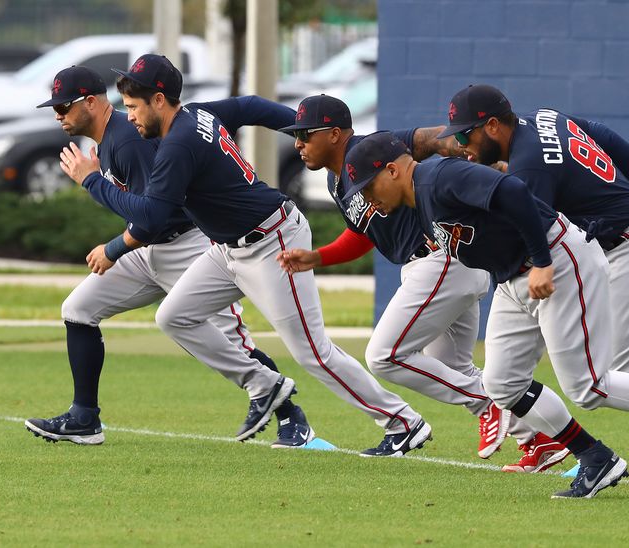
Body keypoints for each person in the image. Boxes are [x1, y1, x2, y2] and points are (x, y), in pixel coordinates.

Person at [58, 54, 431, 456]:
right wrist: (303, 130)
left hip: (273, 240)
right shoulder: (196, 115)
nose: (128, 115)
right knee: (174, 316)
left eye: (134, 106)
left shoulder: (178, 143)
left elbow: (150, 218)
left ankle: (403, 422)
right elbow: (250, 106)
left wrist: (92, 181)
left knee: (313, 353)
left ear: (160, 100)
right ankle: (266, 385)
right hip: (227, 248)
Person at [342, 130, 629, 498]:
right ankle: (594, 456)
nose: (369, 201)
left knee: (587, 387)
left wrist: (541, 261)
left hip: (555, 258)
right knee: (502, 383)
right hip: (513, 276)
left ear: (392, 170)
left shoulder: (439, 177)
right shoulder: (419, 200)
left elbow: (513, 190)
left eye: (369, 188)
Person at [440, 83, 629, 488]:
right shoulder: (542, 118)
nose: (462, 144)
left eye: (466, 134)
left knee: (620, 374)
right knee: (619, 374)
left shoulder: (528, 167)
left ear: (492, 126)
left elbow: (535, 226)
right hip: (624, 241)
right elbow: (600, 132)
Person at [24, 65, 312, 448]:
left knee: (234, 344)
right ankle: (84, 418)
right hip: (147, 249)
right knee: (77, 309)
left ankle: (292, 418)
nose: (58, 115)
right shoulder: (110, 140)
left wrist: (97, 200)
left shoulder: (127, 140)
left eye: (63, 106)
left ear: (91, 102)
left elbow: (152, 218)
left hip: (186, 246)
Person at [275, 94, 510, 459]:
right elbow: (362, 234)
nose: (298, 144)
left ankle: (484, 402)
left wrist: (482, 156)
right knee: (453, 367)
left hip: (442, 258)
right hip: (431, 268)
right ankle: (544, 436)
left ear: (335, 134)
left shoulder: (375, 149)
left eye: (306, 133)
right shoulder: (336, 182)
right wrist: (318, 257)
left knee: (385, 355)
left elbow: (434, 139)